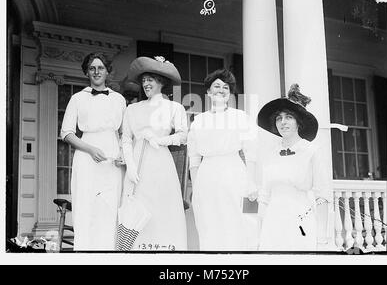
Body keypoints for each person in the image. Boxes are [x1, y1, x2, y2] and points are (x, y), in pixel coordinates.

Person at [60, 52, 126, 251]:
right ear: (87, 73)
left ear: (107, 72)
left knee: (109, 207)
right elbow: (66, 133)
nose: (97, 72)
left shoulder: (119, 99)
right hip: (86, 157)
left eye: (100, 68)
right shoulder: (78, 98)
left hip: (112, 159)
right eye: (92, 68)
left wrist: (122, 154)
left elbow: (125, 134)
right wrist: (90, 150)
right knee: (86, 206)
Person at [121, 56, 188, 251]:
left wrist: (160, 140)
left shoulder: (174, 107)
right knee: (137, 210)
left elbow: (183, 135)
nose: (146, 84)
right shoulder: (132, 109)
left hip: (161, 163)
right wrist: (131, 167)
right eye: (143, 80)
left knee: (161, 209)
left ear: (161, 81)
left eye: (150, 79)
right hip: (138, 164)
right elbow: (126, 139)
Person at [187, 68, 258, 251]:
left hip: (234, 173)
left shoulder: (240, 117)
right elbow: (194, 160)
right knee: (210, 224)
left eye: (226, 87)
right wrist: (196, 188)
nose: (221, 90)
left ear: (230, 93)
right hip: (207, 176)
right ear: (208, 92)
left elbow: (251, 154)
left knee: (240, 221)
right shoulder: (198, 121)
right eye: (216, 86)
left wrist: (251, 182)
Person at [256, 84, 331, 251]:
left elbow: (322, 196)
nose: (283, 122)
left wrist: (321, 240)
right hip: (272, 224)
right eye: (279, 118)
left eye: (289, 117)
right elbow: (264, 196)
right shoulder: (270, 154)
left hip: (300, 222)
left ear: (299, 122)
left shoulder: (312, 151)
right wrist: (258, 234)